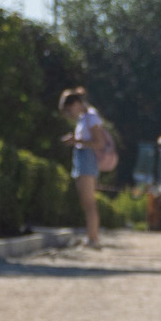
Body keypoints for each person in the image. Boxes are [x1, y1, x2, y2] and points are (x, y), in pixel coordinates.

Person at [64, 87, 115, 247]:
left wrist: (76, 141)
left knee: (89, 201)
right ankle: (91, 236)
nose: (68, 112)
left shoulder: (91, 117)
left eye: (69, 108)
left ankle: (93, 238)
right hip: (81, 158)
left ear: (77, 103)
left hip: (88, 159)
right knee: (86, 202)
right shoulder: (83, 118)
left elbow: (98, 142)